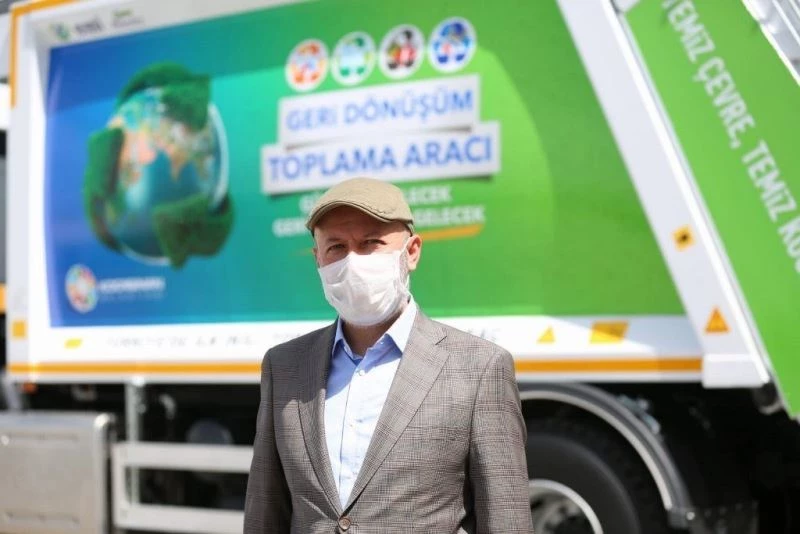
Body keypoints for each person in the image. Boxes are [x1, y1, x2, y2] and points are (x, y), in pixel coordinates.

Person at [244, 177, 533, 533]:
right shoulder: (285, 366)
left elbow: (506, 519)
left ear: (411, 252)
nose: (353, 261)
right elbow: (265, 513)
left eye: (371, 243)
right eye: (336, 247)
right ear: (318, 258)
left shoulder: (479, 368)